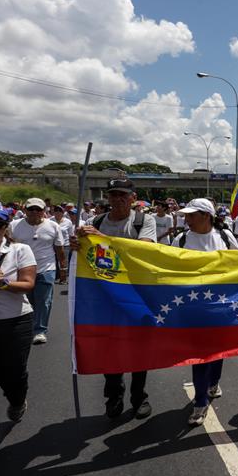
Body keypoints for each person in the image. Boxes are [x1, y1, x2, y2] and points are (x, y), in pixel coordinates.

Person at [72, 177, 157, 419]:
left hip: (136, 294)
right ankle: (113, 395)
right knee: (109, 344)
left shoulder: (144, 221)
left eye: (122, 195)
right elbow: (84, 253)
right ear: (107, 198)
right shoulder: (95, 221)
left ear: (132, 197)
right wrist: (77, 244)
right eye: (112, 195)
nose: (117, 199)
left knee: (139, 346)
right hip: (103, 295)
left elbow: (143, 250)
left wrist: (100, 238)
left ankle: (139, 396)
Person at [169, 199, 238, 426]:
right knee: (199, 355)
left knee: (218, 351)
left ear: (206, 216)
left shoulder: (225, 237)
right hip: (192, 307)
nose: (186, 219)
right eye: (186, 216)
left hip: (220, 304)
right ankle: (200, 403)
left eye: (191, 215)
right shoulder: (180, 240)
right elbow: (165, 266)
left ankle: (213, 383)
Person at [0, 204, 37, 459]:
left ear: (6, 227)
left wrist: (4, 283)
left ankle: (17, 400)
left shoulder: (19, 250)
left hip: (14, 321)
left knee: (11, 376)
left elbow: (28, 283)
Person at [9, 198, 64, 344]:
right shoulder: (14, 225)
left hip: (46, 268)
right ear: (25, 210)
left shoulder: (53, 226)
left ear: (44, 211)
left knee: (44, 301)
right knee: (26, 301)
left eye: (38, 209)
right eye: (31, 209)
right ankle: (28, 327)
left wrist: (63, 269)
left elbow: (59, 249)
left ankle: (40, 330)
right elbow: (8, 248)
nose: (34, 212)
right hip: (22, 270)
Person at [49, 205, 74, 284]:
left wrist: (72, 244)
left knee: (63, 261)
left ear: (63, 213)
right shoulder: (50, 220)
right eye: (56, 211)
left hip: (65, 244)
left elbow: (71, 234)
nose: (58, 213)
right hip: (53, 244)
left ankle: (63, 278)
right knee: (54, 261)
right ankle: (56, 277)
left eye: (60, 211)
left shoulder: (68, 222)